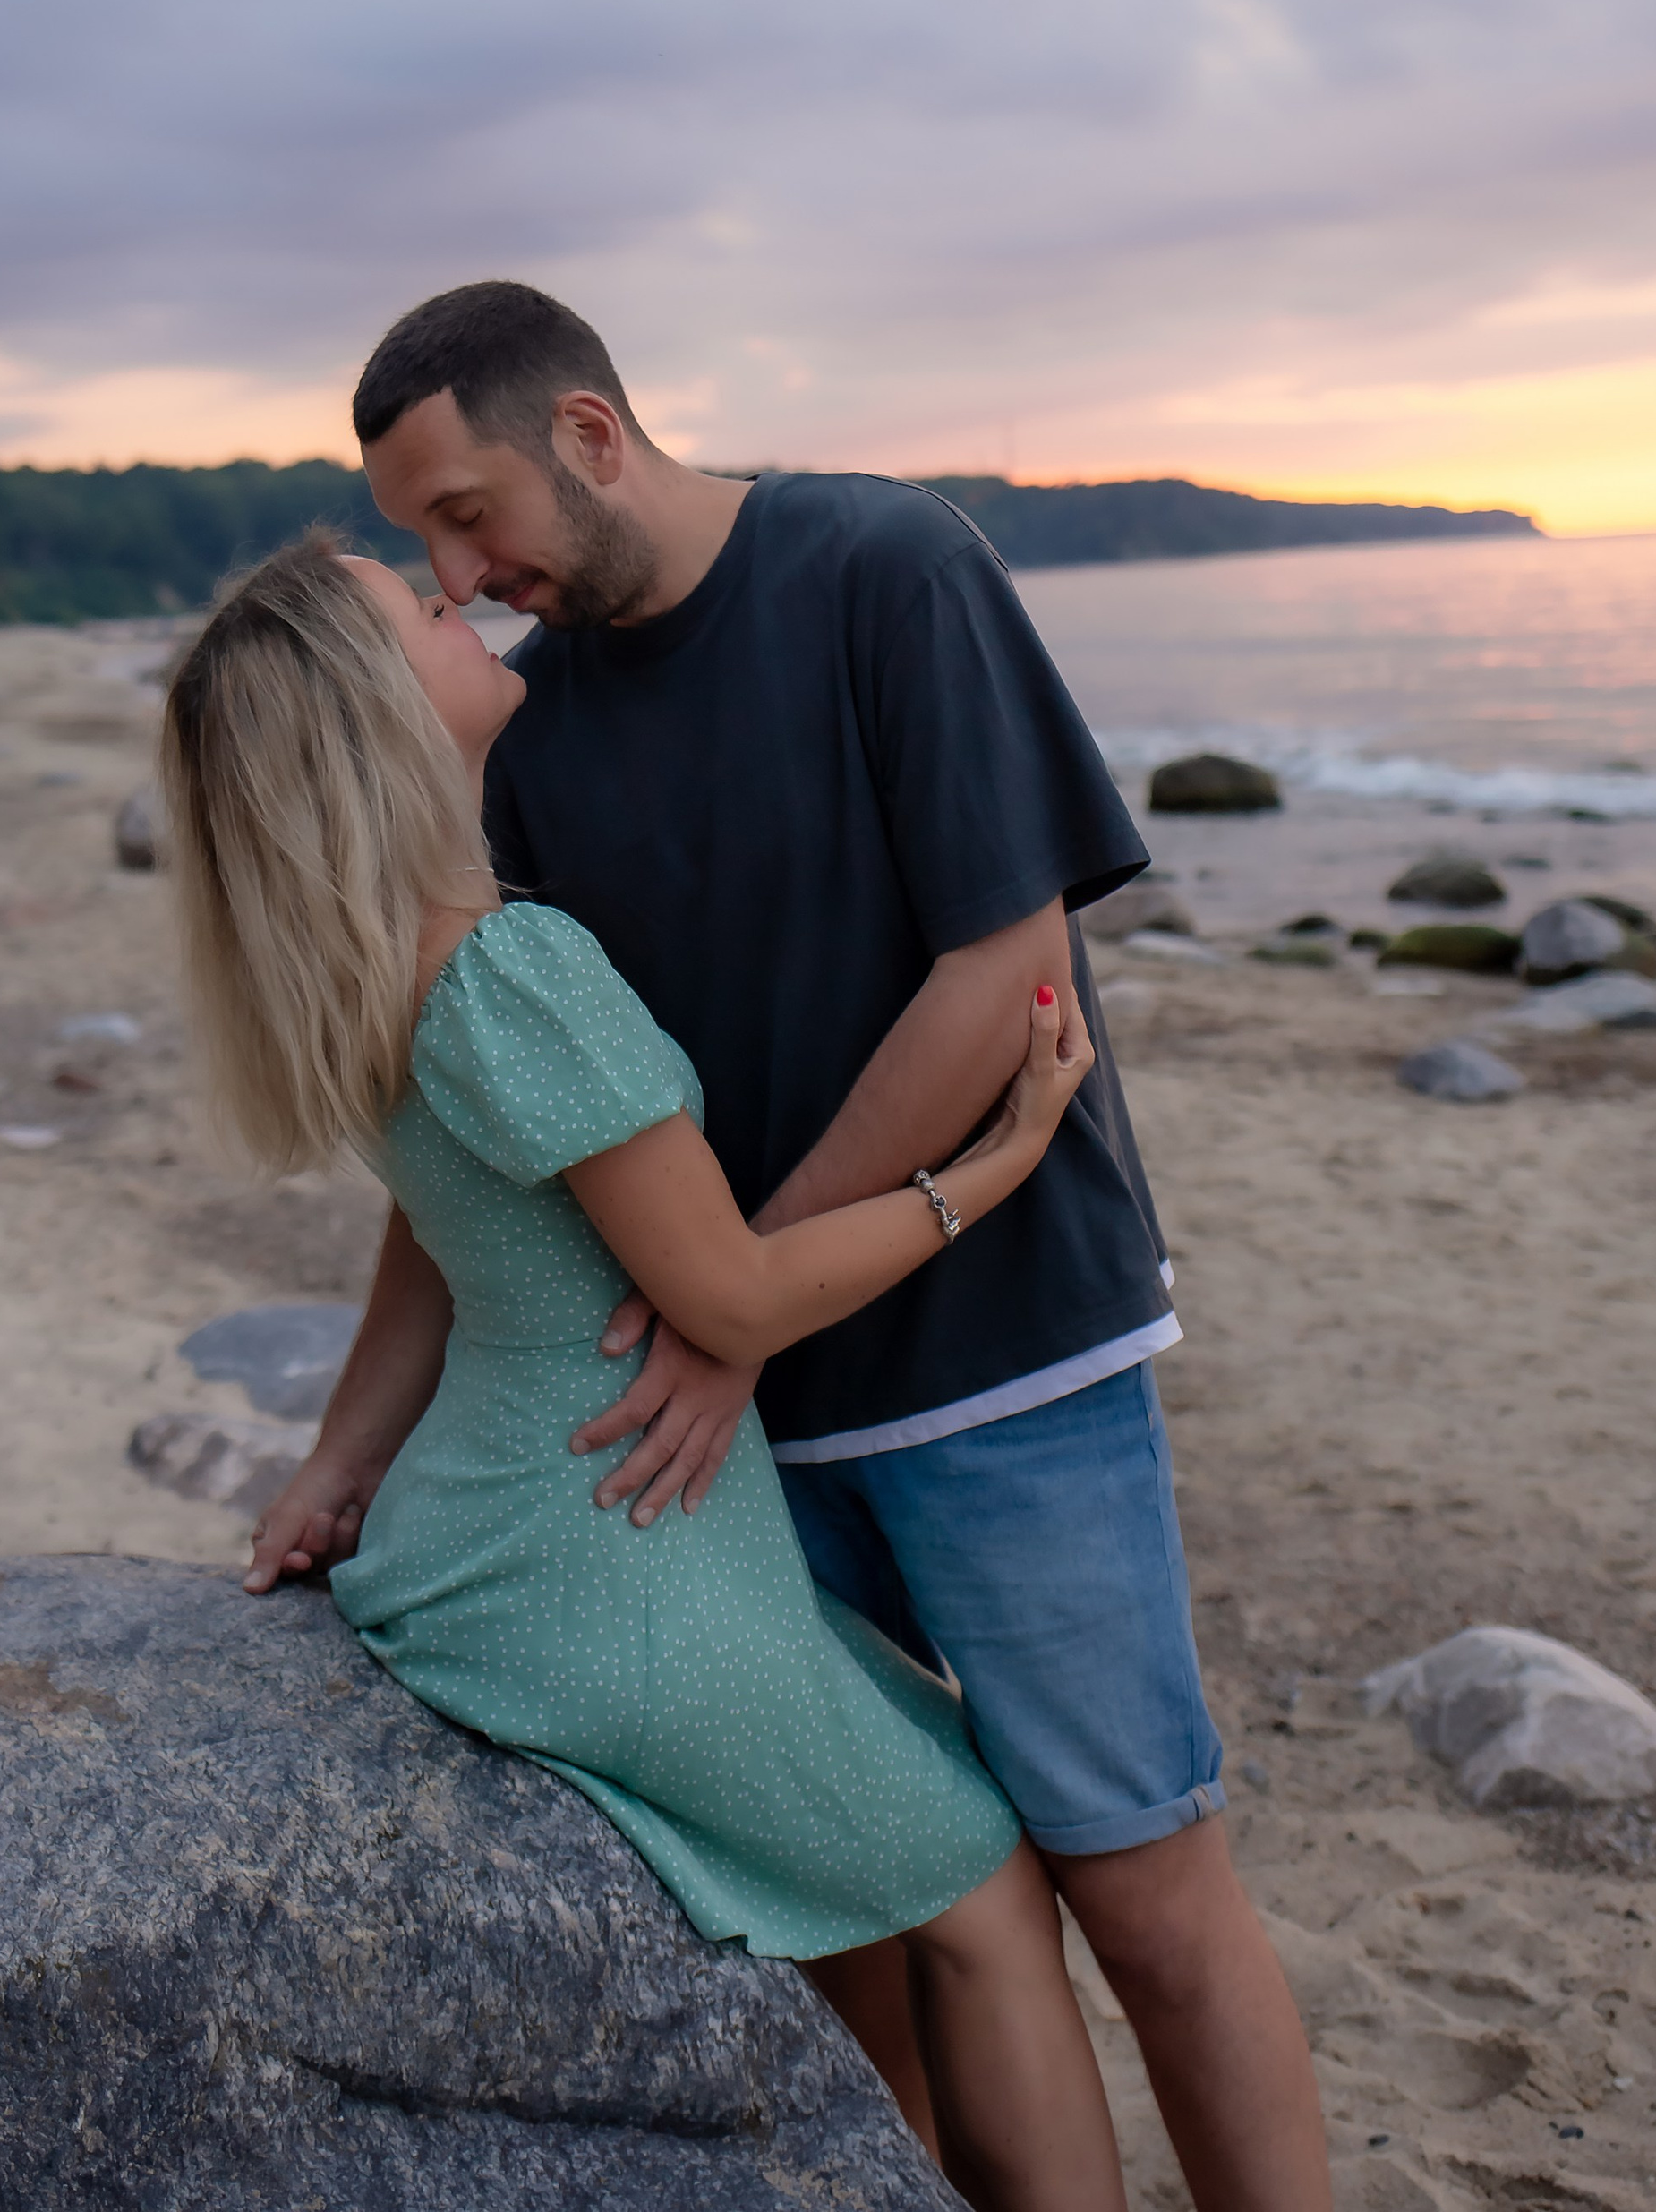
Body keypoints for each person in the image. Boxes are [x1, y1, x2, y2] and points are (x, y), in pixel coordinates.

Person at [294, 279, 1334, 2212]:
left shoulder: (880, 562)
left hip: (991, 1354)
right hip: (735, 1430)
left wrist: (733, 1303)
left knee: (1137, 1885)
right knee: (866, 1911)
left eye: (461, 510)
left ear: (589, 434)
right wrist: (353, 1454)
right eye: (424, 540)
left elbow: (1002, 971)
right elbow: (516, 1134)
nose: (457, 569)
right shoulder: (523, 732)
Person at [163, 533, 1127, 2212]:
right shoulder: (512, 970)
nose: (454, 597)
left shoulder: (372, 968)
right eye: (418, 610)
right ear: (379, 713)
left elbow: (441, 1243)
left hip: (507, 1540)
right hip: (610, 1553)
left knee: (896, 1866)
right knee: (982, 1886)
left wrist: (334, 1464)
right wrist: (1000, 1151)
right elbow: (736, 1296)